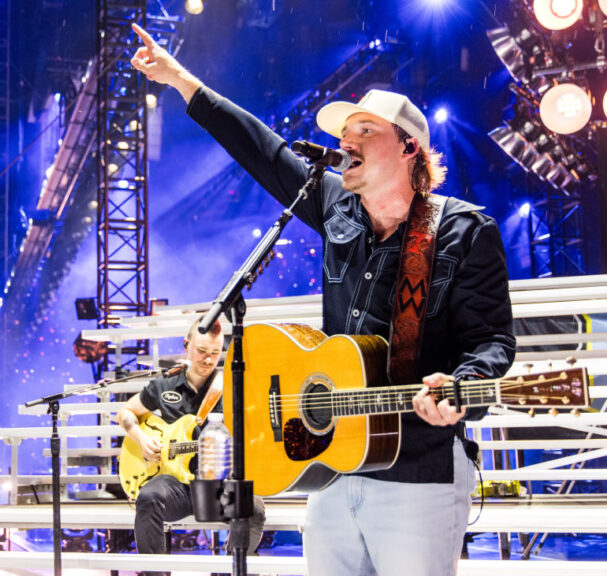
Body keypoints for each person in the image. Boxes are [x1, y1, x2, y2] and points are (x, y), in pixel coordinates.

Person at [128, 23, 516, 576]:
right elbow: (262, 150)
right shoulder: (334, 204)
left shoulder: (462, 230)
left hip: (418, 474)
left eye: (364, 129)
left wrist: (461, 391)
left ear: (409, 148)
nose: (346, 141)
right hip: (332, 472)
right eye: (344, 132)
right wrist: (179, 79)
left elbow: (492, 342)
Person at [117, 317, 266, 576]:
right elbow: (126, 413)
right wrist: (142, 440)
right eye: (201, 351)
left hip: (217, 485)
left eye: (215, 353)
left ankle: (232, 572)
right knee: (148, 497)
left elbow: (254, 434)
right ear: (186, 345)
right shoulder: (164, 385)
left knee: (254, 507)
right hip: (175, 484)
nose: (208, 360)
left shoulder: (231, 388)